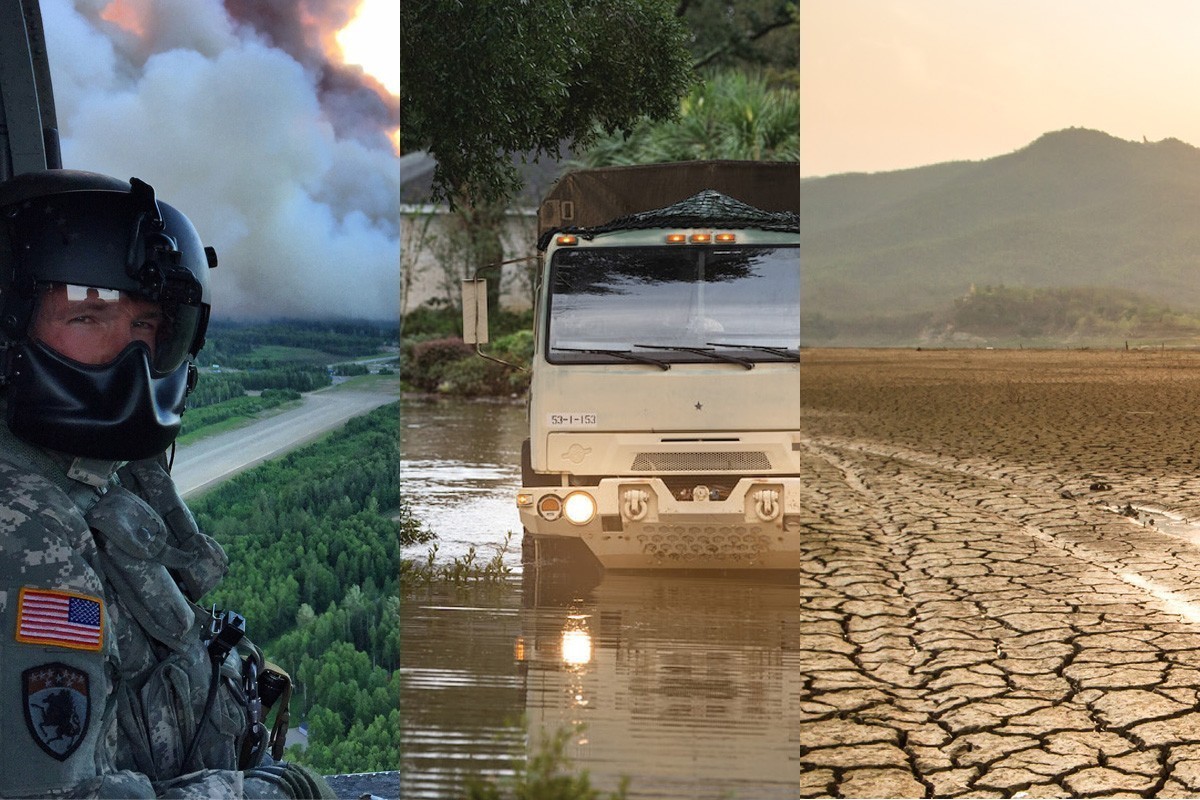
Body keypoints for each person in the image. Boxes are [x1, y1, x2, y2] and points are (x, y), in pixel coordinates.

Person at [0, 170, 334, 798]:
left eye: (147, 325)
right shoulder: (23, 535)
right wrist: (277, 793)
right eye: (89, 314)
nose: (131, 356)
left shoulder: (95, 473)